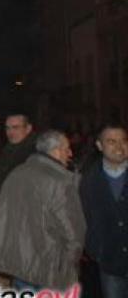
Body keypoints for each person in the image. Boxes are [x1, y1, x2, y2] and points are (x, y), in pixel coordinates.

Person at [0, 129, 85, 291]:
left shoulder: (16, 174)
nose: (70, 153)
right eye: (66, 148)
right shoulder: (60, 181)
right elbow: (73, 232)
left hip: (19, 263)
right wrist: (69, 264)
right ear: (55, 151)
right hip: (50, 268)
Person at [80, 125, 128, 298]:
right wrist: (95, 249)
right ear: (99, 146)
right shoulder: (87, 181)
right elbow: (83, 218)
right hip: (110, 263)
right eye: (111, 141)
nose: (119, 146)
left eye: (124, 141)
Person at [0, 113, 36, 192]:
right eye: (7, 128)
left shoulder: (34, 152)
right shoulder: (9, 149)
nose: (10, 132)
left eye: (15, 127)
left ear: (28, 128)